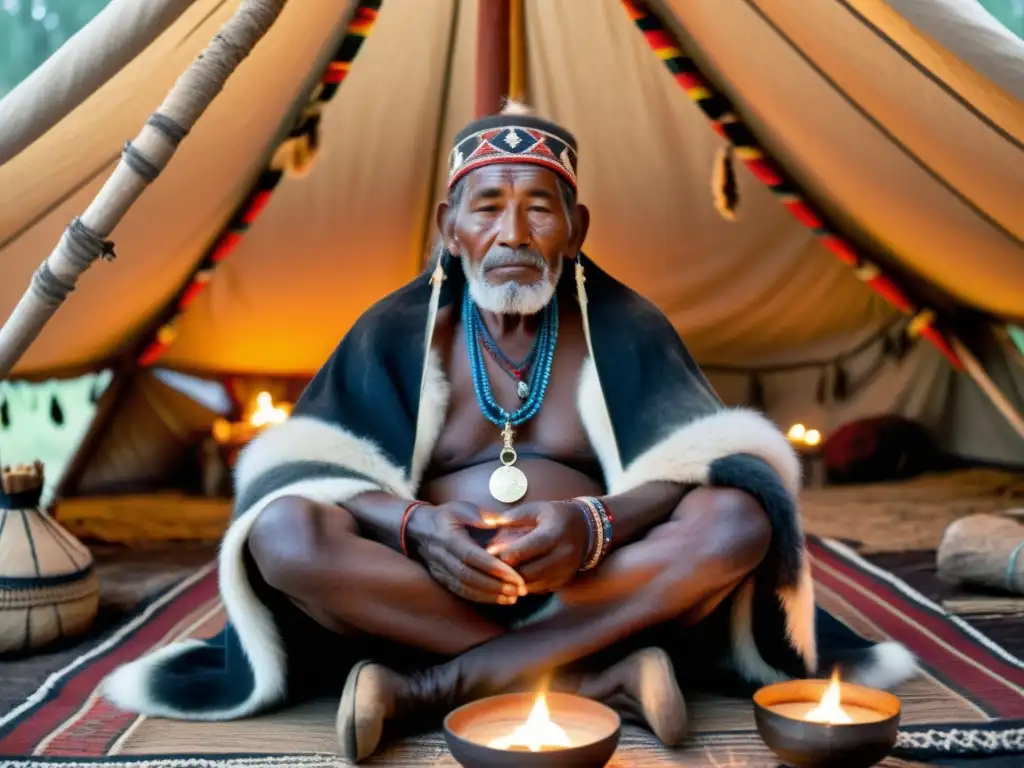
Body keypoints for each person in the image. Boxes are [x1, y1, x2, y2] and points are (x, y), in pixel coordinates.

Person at [102, 105, 915, 761]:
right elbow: (305, 469)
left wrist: (597, 524)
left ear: (578, 226)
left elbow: (707, 461)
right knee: (285, 535)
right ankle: (600, 678)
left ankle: (432, 691)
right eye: (488, 206)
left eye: (539, 208)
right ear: (451, 225)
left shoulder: (624, 327)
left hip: (606, 579)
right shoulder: (397, 331)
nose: (514, 233)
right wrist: (416, 526)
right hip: (429, 588)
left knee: (738, 518)